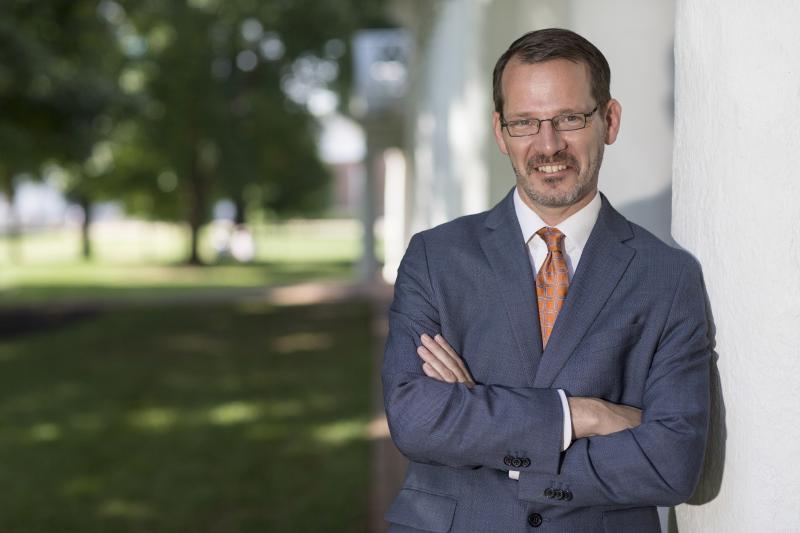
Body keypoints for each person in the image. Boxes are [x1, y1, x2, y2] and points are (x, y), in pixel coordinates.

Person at [382, 28, 710, 532]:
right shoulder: (435, 257)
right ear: (500, 133)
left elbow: (671, 462)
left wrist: (486, 427)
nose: (548, 144)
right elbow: (417, 419)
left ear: (610, 120)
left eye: (569, 118)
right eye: (525, 123)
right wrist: (582, 416)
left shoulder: (667, 276)